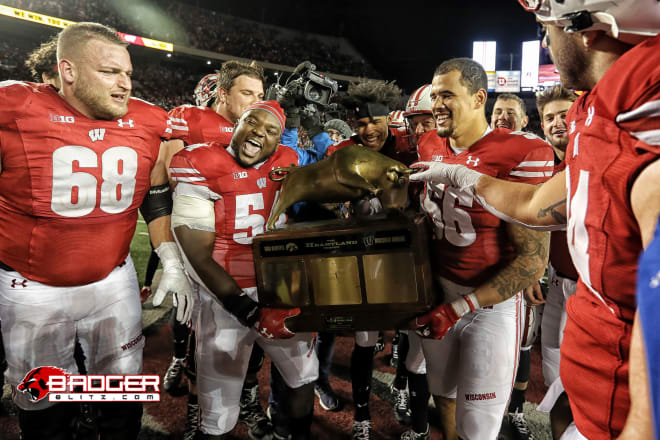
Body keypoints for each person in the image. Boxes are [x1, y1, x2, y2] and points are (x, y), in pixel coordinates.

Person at [411, 2, 660, 437]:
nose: (546, 39)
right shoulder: (594, 107)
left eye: (547, 25)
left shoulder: (641, 95)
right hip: (597, 375)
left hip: (623, 398)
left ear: (586, 22)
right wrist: (458, 174)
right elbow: (538, 204)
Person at [0, 22, 192, 440]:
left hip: (114, 281)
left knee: (122, 387)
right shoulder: (16, 106)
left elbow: (156, 193)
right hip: (33, 286)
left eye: (127, 73)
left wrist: (172, 258)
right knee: (43, 395)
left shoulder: (148, 119)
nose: (124, 84)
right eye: (109, 72)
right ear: (67, 71)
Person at [408, 57, 553, 440]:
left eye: (447, 95)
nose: (437, 104)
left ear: (478, 98)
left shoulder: (522, 151)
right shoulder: (428, 142)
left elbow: (532, 261)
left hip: (490, 304)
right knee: (444, 395)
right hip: (440, 289)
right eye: (435, 94)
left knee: (479, 427)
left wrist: (462, 307)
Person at [170, 100, 318, 440]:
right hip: (224, 296)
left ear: (279, 141)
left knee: (302, 377)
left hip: (279, 288)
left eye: (270, 131)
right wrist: (248, 311)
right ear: (237, 124)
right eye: (253, 122)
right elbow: (197, 254)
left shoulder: (287, 160)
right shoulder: (199, 161)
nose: (259, 134)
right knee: (218, 413)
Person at [164, 65, 274, 440]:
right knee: (199, 333)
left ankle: (247, 401)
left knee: (251, 338)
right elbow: (165, 182)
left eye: (261, 95)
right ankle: (196, 411)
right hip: (203, 243)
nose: (256, 102)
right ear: (223, 94)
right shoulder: (190, 119)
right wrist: (172, 249)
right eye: (248, 94)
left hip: (251, 249)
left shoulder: (265, 129)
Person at [531, 85, 577, 439]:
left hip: (592, 293)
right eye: (549, 118)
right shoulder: (545, 164)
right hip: (558, 285)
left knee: (579, 389)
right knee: (554, 382)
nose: (558, 123)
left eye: (565, 114)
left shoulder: (595, 158)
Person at [394, 83, 436, 440]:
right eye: (415, 123)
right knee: (415, 357)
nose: (419, 131)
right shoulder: (407, 161)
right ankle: (421, 426)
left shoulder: (465, 155)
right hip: (422, 272)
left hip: (458, 274)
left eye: (427, 121)